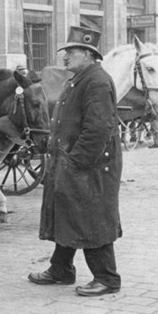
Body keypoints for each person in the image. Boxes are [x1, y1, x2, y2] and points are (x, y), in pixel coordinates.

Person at [28, 26, 123, 297]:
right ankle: (61, 269)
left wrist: (77, 161)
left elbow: (99, 129)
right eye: (66, 51)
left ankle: (107, 278)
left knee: (92, 216)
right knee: (67, 211)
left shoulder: (96, 81)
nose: (65, 56)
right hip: (72, 161)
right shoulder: (80, 78)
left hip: (90, 165)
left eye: (71, 51)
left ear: (89, 53)